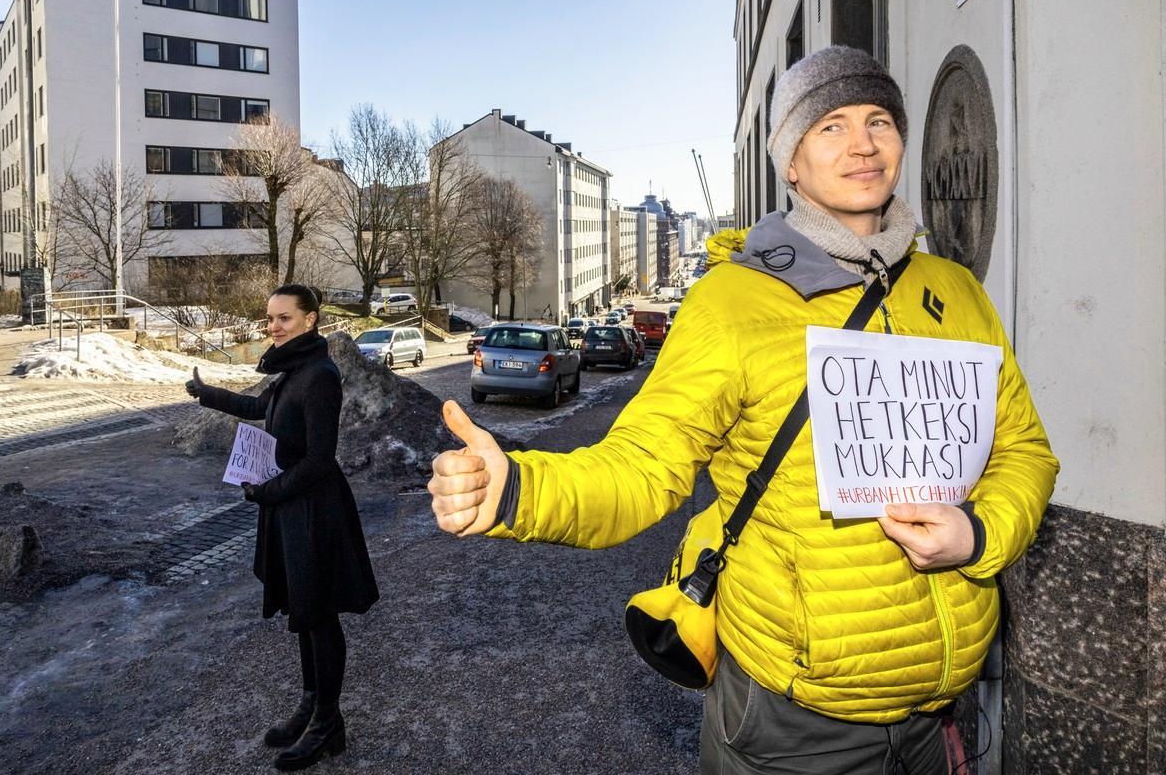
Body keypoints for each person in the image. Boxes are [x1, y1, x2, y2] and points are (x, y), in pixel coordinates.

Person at [426, 46, 1059, 773]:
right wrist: (518, 488)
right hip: (794, 727)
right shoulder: (731, 303)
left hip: (937, 717)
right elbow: (643, 467)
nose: (862, 143)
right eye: (831, 126)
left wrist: (979, 535)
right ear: (791, 160)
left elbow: (1024, 452)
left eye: (879, 120)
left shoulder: (957, 291)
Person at [186, 284, 377, 772]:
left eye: (284, 318)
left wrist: (266, 492)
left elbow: (319, 458)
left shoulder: (320, 376)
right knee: (301, 608)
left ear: (310, 320)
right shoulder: (292, 369)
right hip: (290, 506)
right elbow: (260, 411)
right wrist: (209, 395)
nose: (273, 326)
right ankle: (312, 703)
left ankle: (328, 721)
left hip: (313, 508)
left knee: (319, 613)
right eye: (269, 318)